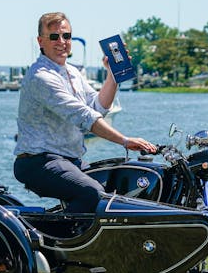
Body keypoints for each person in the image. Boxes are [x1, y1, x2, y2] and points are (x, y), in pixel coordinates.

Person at [13, 12, 156, 213]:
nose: (62, 42)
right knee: (92, 193)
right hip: (38, 161)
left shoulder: (72, 72)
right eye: (54, 37)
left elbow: (97, 107)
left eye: (67, 36)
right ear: (40, 41)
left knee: (119, 187)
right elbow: (84, 117)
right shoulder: (41, 77)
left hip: (70, 160)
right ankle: (59, 241)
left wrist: (113, 76)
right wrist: (124, 140)